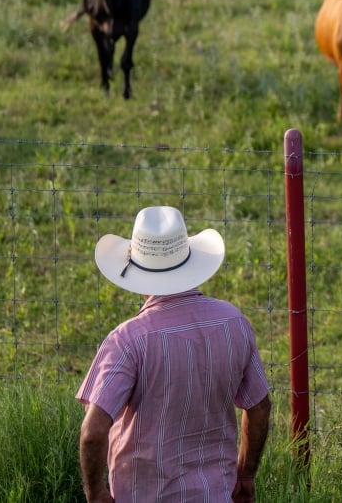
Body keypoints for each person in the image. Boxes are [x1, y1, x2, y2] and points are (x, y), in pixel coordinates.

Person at [77, 206, 271, 502]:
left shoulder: (128, 340)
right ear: (188, 259)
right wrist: (245, 475)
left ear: (135, 268)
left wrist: (95, 493)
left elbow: (92, 433)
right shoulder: (233, 322)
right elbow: (259, 407)